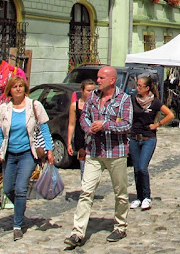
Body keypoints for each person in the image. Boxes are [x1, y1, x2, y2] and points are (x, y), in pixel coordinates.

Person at [64, 66, 133, 248]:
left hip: (116, 152)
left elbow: (127, 124)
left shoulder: (124, 99)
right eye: (97, 77)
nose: (98, 80)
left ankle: (120, 226)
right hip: (94, 151)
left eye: (102, 77)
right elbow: (83, 117)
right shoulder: (92, 97)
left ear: (112, 80)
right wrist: (90, 127)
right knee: (86, 191)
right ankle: (77, 232)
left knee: (120, 192)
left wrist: (105, 125)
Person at [0, 76, 54, 241]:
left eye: (21, 86)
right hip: (9, 154)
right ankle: (21, 206)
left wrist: (49, 150)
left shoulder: (34, 106)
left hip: (28, 153)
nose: (18, 89)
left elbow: (45, 129)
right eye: (14, 86)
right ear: (9, 90)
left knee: (20, 189)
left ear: (25, 89)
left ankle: (17, 225)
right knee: (7, 188)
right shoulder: (4, 109)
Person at [129, 76, 174, 210]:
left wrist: (157, 125)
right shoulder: (133, 100)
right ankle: (139, 197)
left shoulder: (154, 102)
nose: (137, 88)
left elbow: (170, 115)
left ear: (147, 88)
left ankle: (147, 196)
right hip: (134, 138)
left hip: (148, 138)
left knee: (143, 168)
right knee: (136, 169)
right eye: (137, 85)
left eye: (140, 86)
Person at [67, 79, 95, 180]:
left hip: (94, 140)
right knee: (83, 166)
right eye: (88, 90)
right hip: (81, 139)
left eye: (93, 90)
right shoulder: (75, 105)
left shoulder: (96, 104)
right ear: (82, 90)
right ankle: (85, 190)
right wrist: (69, 142)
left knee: (94, 167)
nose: (91, 93)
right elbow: (71, 124)